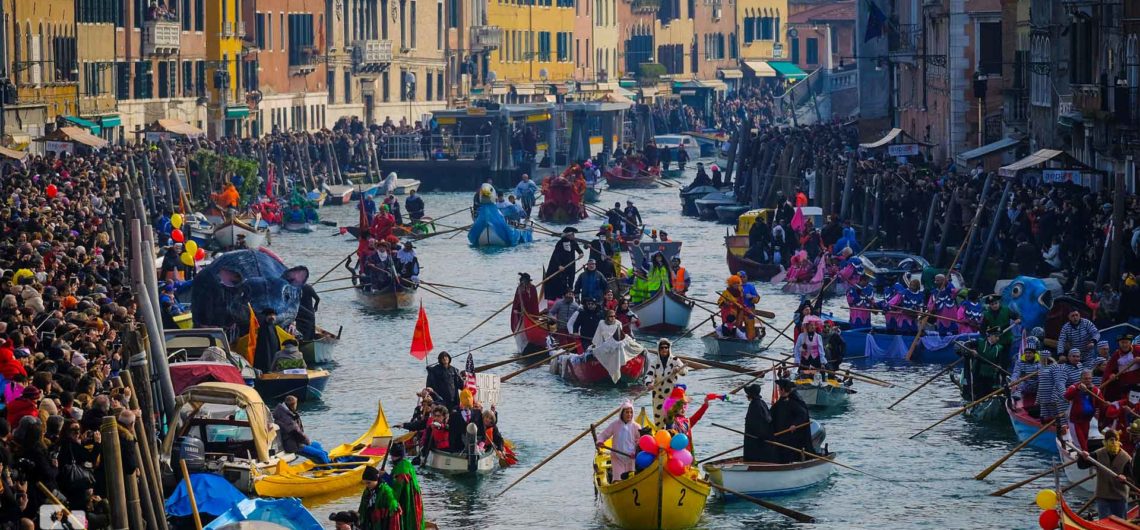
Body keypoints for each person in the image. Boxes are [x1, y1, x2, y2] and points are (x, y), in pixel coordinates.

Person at [1079, 428, 1132, 520]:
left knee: (1120, 523)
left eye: (1115, 440)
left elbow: (1132, 478)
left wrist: (1125, 478)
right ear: (1105, 441)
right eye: (1111, 440)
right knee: (1104, 521)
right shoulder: (1098, 454)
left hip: (1119, 497)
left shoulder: (1126, 458)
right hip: (1103, 496)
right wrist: (1083, 457)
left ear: (1119, 441)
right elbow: (1082, 465)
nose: (1113, 442)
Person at [644, 339, 688, 429]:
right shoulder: (654, 362)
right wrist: (649, 384)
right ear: (659, 349)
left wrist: (678, 369)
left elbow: (685, 372)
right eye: (662, 348)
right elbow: (648, 375)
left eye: (666, 347)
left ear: (669, 348)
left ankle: (672, 437)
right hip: (658, 395)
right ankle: (660, 438)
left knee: (671, 421)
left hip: (671, 395)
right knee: (659, 421)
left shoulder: (675, 360)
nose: (664, 349)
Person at [595, 400, 642, 481]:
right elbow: (604, 434)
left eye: (631, 412)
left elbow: (640, 441)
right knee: (618, 479)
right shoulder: (615, 425)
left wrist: (636, 453)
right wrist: (600, 441)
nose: (629, 415)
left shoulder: (636, 427)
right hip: (617, 457)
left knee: (631, 479)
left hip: (631, 457)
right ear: (622, 413)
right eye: (627, 412)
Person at [273, 395, 329, 463]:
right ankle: (330, 467)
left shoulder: (285, 413)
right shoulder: (286, 419)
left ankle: (323, 464)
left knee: (317, 445)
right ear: (293, 405)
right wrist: (307, 441)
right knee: (321, 454)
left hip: (296, 442)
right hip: (293, 446)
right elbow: (296, 433)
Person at [770, 378, 813, 463]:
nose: (778, 391)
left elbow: (802, 415)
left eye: (779, 389)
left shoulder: (794, 402)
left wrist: (794, 425)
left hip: (791, 435)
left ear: (783, 390)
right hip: (780, 434)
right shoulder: (779, 403)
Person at [388, 443, 424, 530]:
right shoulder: (407, 464)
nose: (392, 458)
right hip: (411, 495)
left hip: (407, 497)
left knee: (407, 518)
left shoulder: (402, 469)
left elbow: (396, 487)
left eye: (393, 456)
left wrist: (385, 477)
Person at [1064, 370, 1102, 451]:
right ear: (1081, 379)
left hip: (1086, 420)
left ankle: (1083, 457)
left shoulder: (1096, 390)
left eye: (1089, 379)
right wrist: (1078, 389)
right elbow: (1067, 396)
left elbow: (1101, 403)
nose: (1088, 381)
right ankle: (1083, 459)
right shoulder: (1074, 387)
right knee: (1081, 445)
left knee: (1084, 441)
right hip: (1074, 421)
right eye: (1085, 379)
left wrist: (1107, 403)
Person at [544, 227, 583, 305]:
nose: (574, 236)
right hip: (561, 267)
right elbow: (556, 255)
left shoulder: (573, 242)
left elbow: (578, 250)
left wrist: (581, 253)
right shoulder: (560, 243)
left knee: (570, 280)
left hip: (571, 265)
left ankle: (569, 295)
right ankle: (559, 298)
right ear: (568, 235)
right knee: (561, 281)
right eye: (572, 234)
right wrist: (559, 265)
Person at [742, 383, 780, 463]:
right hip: (759, 437)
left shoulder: (755, 405)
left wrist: (760, 436)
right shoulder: (761, 403)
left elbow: (757, 424)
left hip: (756, 439)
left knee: (755, 457)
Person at [357, 465, 402, 530]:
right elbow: (362, 506)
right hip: (369, 520)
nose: (367, 485)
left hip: (382, 521)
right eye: (365, 483)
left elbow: (393, 506)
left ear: (376, 480)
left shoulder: (386, 490)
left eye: (369, 483)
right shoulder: (367, 490)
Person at [1103, 334, 1140, 401]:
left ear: (1130, 342)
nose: (1124, 345)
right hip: (1124, 385)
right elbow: (1108, 370)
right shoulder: (1116, 355)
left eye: (1126, 342)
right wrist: (1111, 375)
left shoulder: (1138, 349)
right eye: (1122, 342)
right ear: (1119, 343)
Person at [448, 389, 484, 453]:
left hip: (476, 447)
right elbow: (452, 434)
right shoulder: (454, 415)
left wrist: (481, 446)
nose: (467, 400)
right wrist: (452, 450)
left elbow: (482, 432)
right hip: (458, 449)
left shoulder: (478, 413)